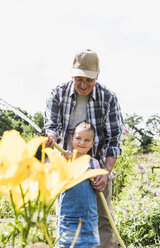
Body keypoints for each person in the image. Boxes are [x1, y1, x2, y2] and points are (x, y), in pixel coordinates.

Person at [44, 49, 124, 248]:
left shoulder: (108, 98)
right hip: (67, 172)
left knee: (103, 220)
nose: (83, 84)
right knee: (67, 217)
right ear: (72, 74)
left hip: (96, 170)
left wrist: (104, 173)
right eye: (79, 78)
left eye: (89, 80)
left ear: (97, 76)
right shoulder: (58, 94)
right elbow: (51, 126)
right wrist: (51, 136)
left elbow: (115, 139)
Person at [58, 121, 101, 248]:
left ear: (92, 143)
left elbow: (94, 176)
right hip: (69, 220)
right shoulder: (65, 160)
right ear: (72, 139)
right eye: (78, 138)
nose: (82, 143)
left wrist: (77, 165)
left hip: (89, 220)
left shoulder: (94, 163)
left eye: (87, 140)